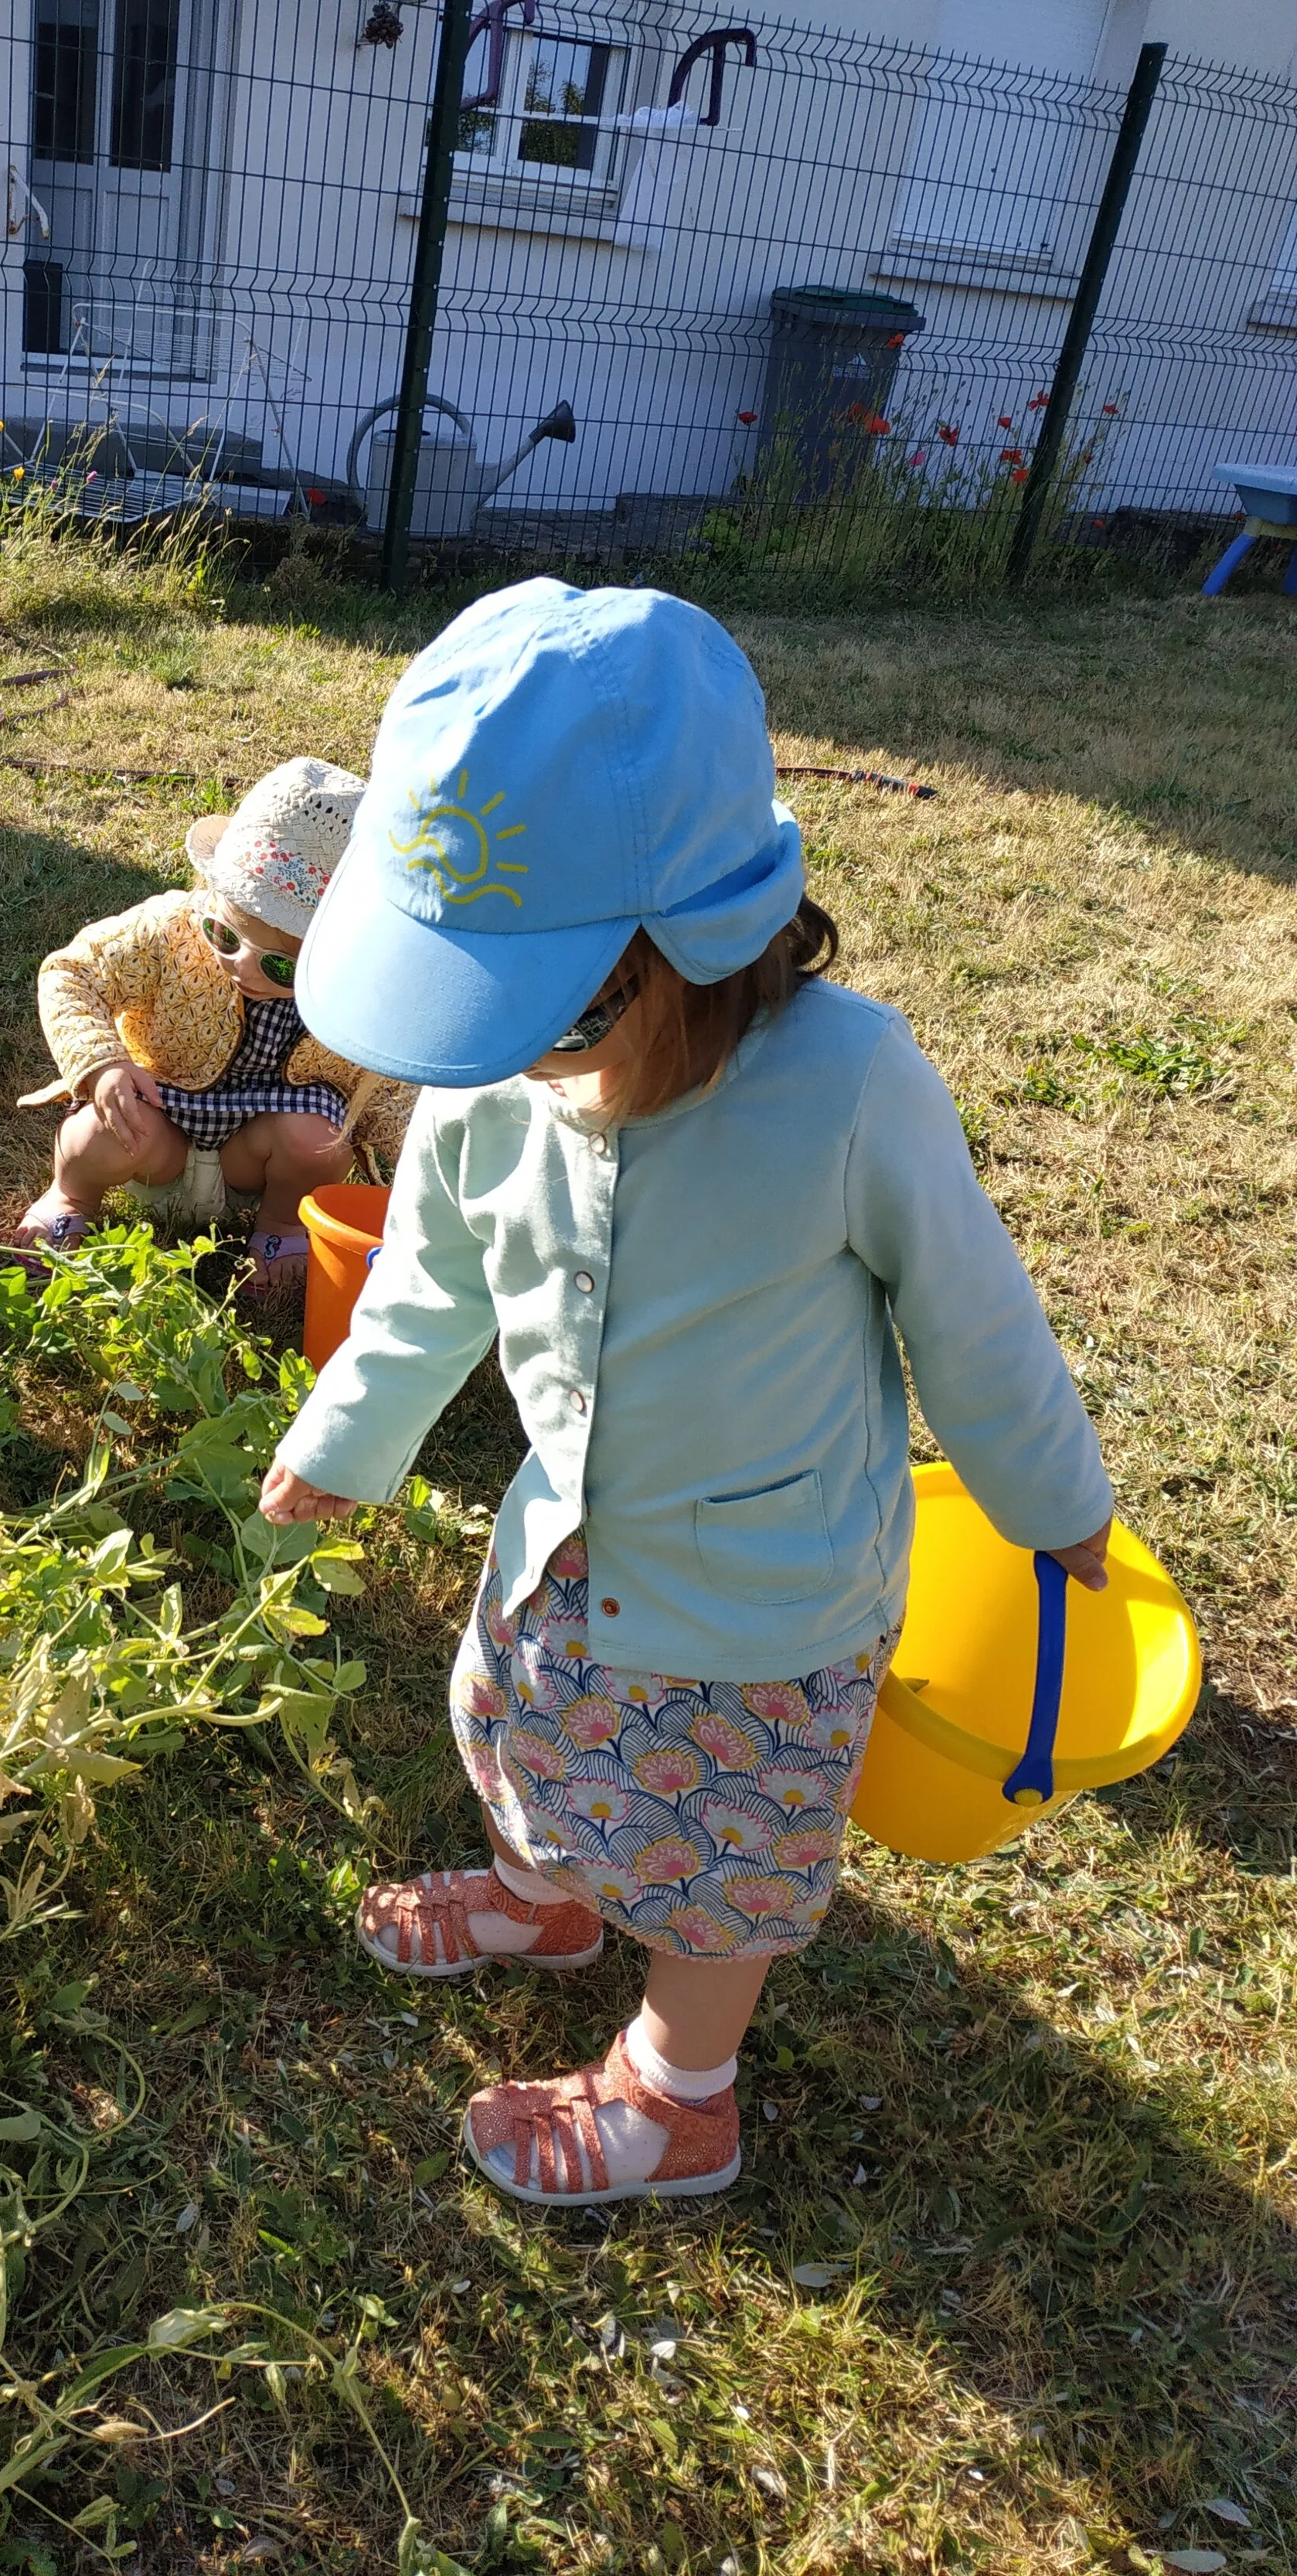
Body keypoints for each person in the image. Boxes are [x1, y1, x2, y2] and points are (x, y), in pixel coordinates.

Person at [260, 580, 1114, 2209]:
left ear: (691, 946)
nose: (494, 1050)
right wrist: (338, 1449)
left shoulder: (847, 1086)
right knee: (509, 1724)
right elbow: (425, 1293)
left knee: (722, 1858)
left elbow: (975, 1326)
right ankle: (543, 1892)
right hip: (562, 1552)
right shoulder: (496, 1091)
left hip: (760, 1607)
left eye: (537, 1003)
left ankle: (678, 2090)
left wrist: (1057, 1511)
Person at [17, 758, 414, 1288]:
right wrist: (103, 1063)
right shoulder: (169, 931)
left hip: (256, 1165)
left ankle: (281, 1226)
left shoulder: (360, 1003)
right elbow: (72, 972)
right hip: (160, 1131)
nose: (243, 966)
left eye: (280, 965)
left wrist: (424, 1177)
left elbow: (393, 1095)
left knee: (321, 1137)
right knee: (97, 1130)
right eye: (224, 935)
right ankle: (72, 1194)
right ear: (210, 895)